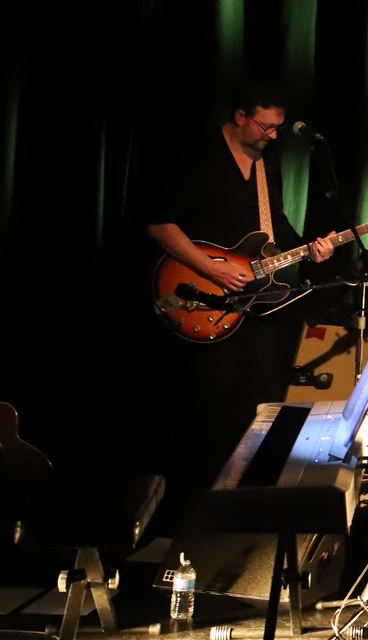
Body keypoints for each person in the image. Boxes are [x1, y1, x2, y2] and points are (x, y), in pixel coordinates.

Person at [142, 85, 336, 522]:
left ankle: (244, 511)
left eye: (278, 127)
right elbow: (159, 225)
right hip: (202, 298)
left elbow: (275, 228)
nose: (273, 135)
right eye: (265, 126)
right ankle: (193, 517)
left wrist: (310, 249)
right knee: (208, 416)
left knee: (259, 408)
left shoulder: (267, 164)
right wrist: (212, 271)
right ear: (240, 116)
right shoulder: (200, 156)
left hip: (254, 306)